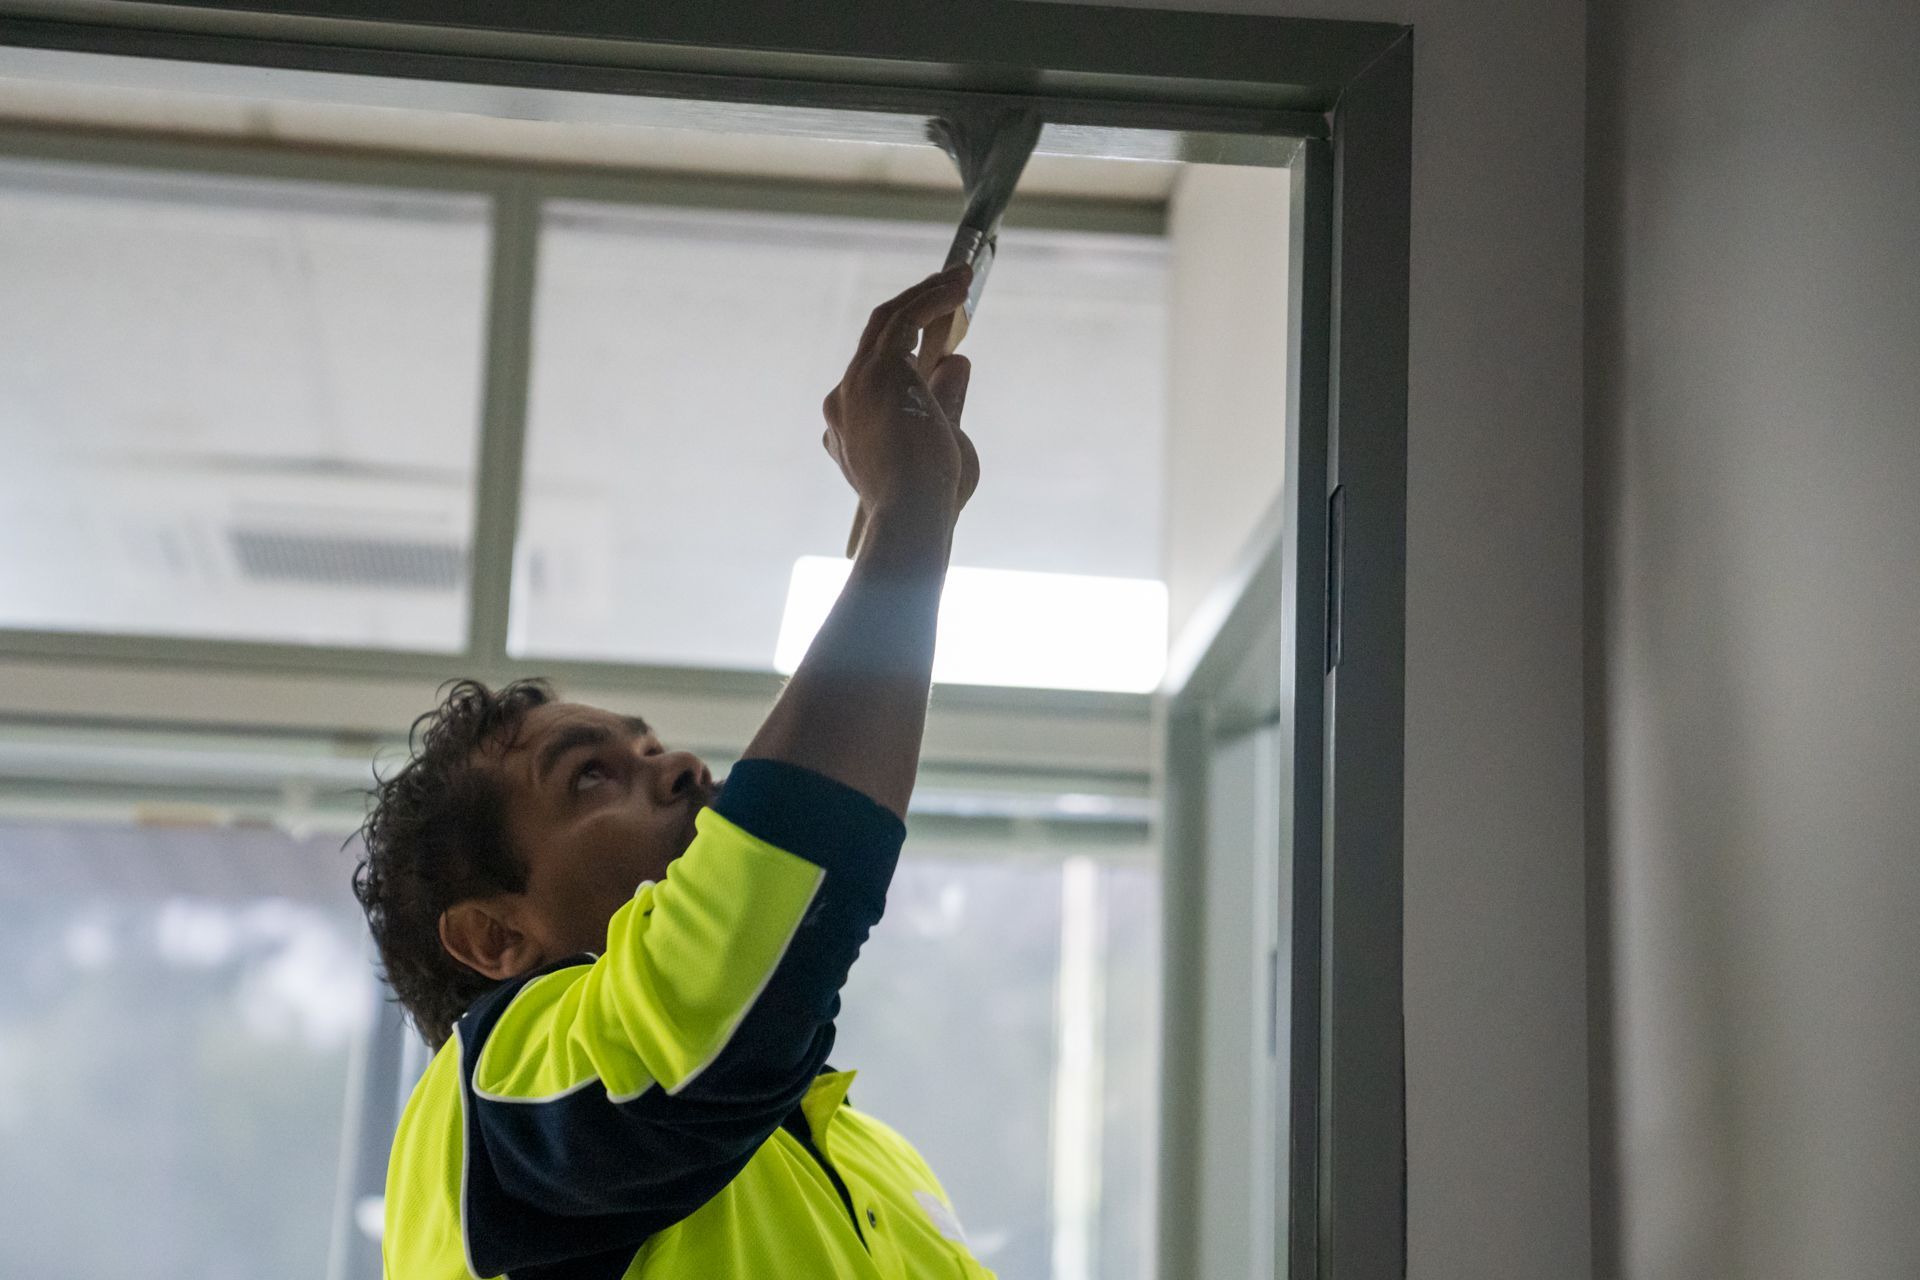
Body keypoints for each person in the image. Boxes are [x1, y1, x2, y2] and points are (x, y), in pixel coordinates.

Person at [354, 265, 998, 1279]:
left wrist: (905, 523)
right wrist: (907, 518)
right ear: (495, 935)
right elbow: (741, 938)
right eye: (590, 778)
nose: (682, 767)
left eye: (651, 749)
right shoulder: (495, 1116)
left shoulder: (871, 1157)